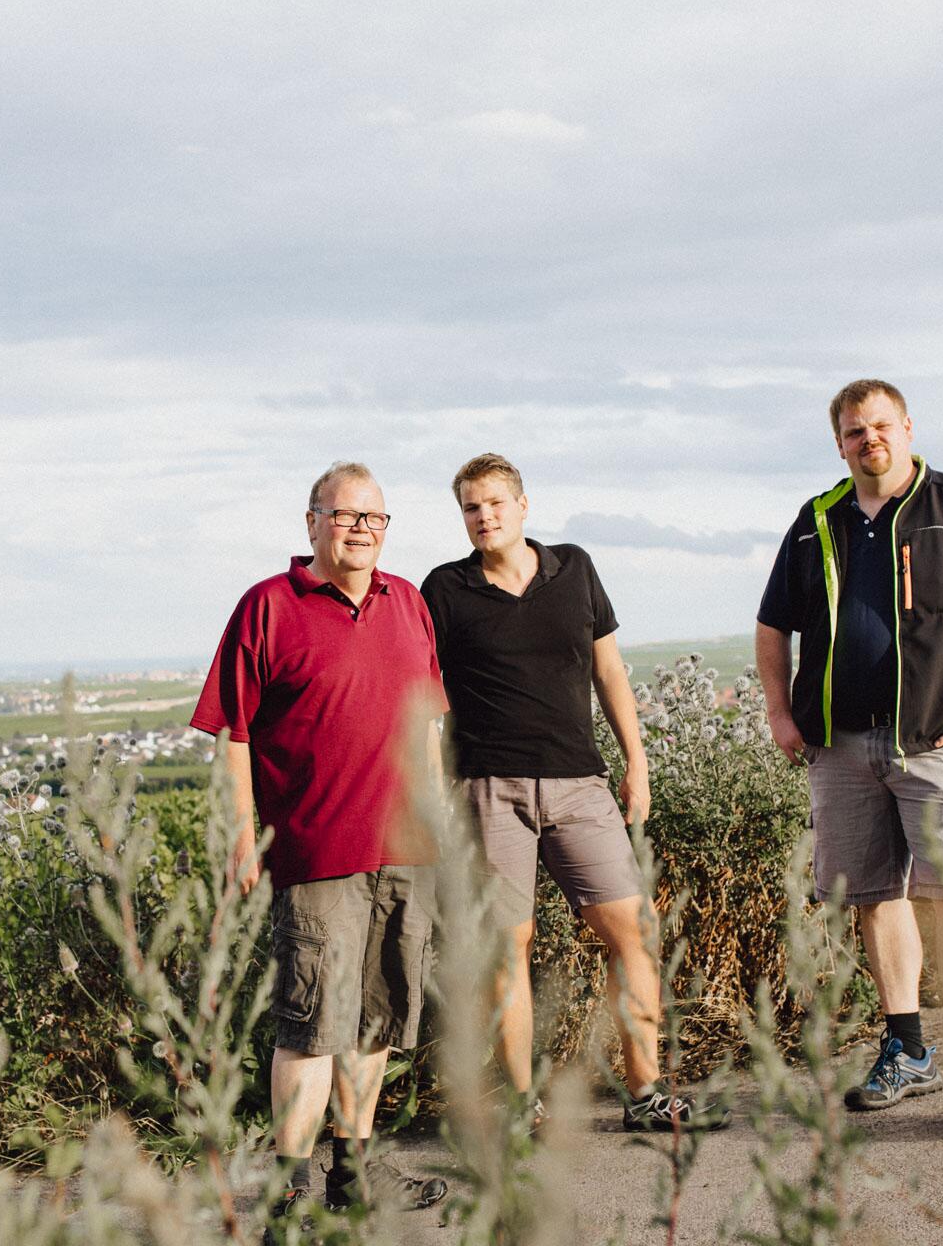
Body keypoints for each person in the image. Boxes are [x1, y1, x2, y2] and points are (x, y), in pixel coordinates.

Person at [753, 379, 943, 1138]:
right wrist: (781, 712)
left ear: (908, 428)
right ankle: (906, 1048)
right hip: (842, 748)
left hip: (939, 743)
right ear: (840, 444)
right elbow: (771, 625)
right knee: (877, 896)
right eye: (854, 432)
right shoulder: (816, 522)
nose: (869, 441)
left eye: (880, 427)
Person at [421, 453, 726, 1133]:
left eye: (495, 503)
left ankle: (646, 1094)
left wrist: (636, 764)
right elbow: (417, 691)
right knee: (508, 948)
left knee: (634, 933)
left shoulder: (575, 568)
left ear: (523, 506)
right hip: (488, 788)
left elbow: (610, 671)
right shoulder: (444, 589)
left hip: (580, 785)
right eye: (471, 507)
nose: (483, 517)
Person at [190, 461, 448, 1224]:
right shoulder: (267, 606)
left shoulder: (408, 603)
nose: (361, 529)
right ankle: (287, 1193)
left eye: (374, 517)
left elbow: (427, 725)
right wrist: (242, 833)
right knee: (310, 1028)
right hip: (313, 853)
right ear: (311, 524)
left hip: (405, 853)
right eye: (345, 516)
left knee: (374, 1021)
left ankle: (354, 1176)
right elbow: (232, 734)